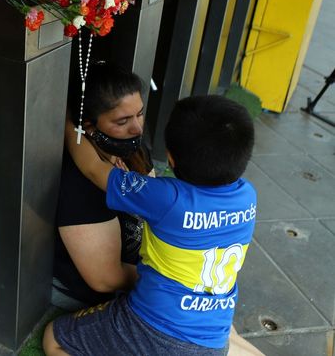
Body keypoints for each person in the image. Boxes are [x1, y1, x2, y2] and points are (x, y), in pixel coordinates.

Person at [44, 95, 257, 356]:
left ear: (170, 158)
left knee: (55, 338)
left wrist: (69, 122)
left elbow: (92, 168)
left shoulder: (165, 198)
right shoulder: (248, 197)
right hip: (213, 339)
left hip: (151, 331)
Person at [52, 61, 153, 311]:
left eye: (139, 114)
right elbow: (105, 280)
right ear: (88, 126)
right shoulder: (77, 182)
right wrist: (167, 280)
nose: (137, 128)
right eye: (122, 121)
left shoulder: (132, 149)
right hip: (119, 290)